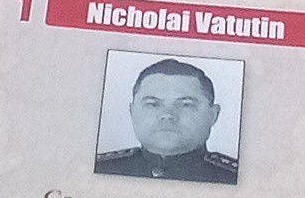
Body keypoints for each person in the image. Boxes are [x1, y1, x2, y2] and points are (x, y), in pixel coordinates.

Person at [96, 58, 237, 181]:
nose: (168, 115)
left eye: (186, 105)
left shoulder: (235, 177)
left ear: (213, 115)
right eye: (152, 104)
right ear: (132, 111)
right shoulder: (101, 168)